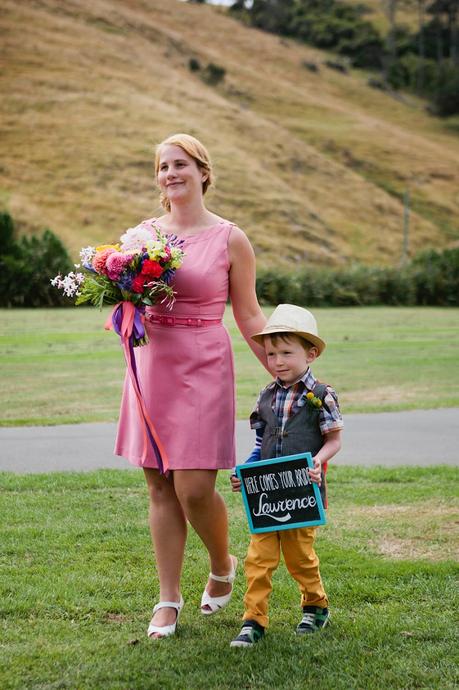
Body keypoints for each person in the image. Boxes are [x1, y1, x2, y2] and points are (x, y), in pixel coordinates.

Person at [114, 133, 267, 639]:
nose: (170, 174)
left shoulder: (229, 238)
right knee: (159, 482)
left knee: (195, 486)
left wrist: (285, 370)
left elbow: (247, 313)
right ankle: (168, 599)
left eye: (180, 164)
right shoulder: (139, 237)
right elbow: (124, 297)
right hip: (151, 361)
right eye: (162, 167)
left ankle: (222, 565)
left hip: (204, 360)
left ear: (203, 172)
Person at [229, 304, 343, 647]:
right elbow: (260, 444)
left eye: (286, 353)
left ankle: (315, 606)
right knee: (258, 559)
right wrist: (243, 472)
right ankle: (253, 620)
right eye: (271, 353)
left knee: (299, 557)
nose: (277, 360)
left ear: (310, 354)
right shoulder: (266, 395)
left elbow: (334, 440)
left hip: (302, 493)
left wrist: (318, 463)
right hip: (265, 494)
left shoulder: (321, 396)